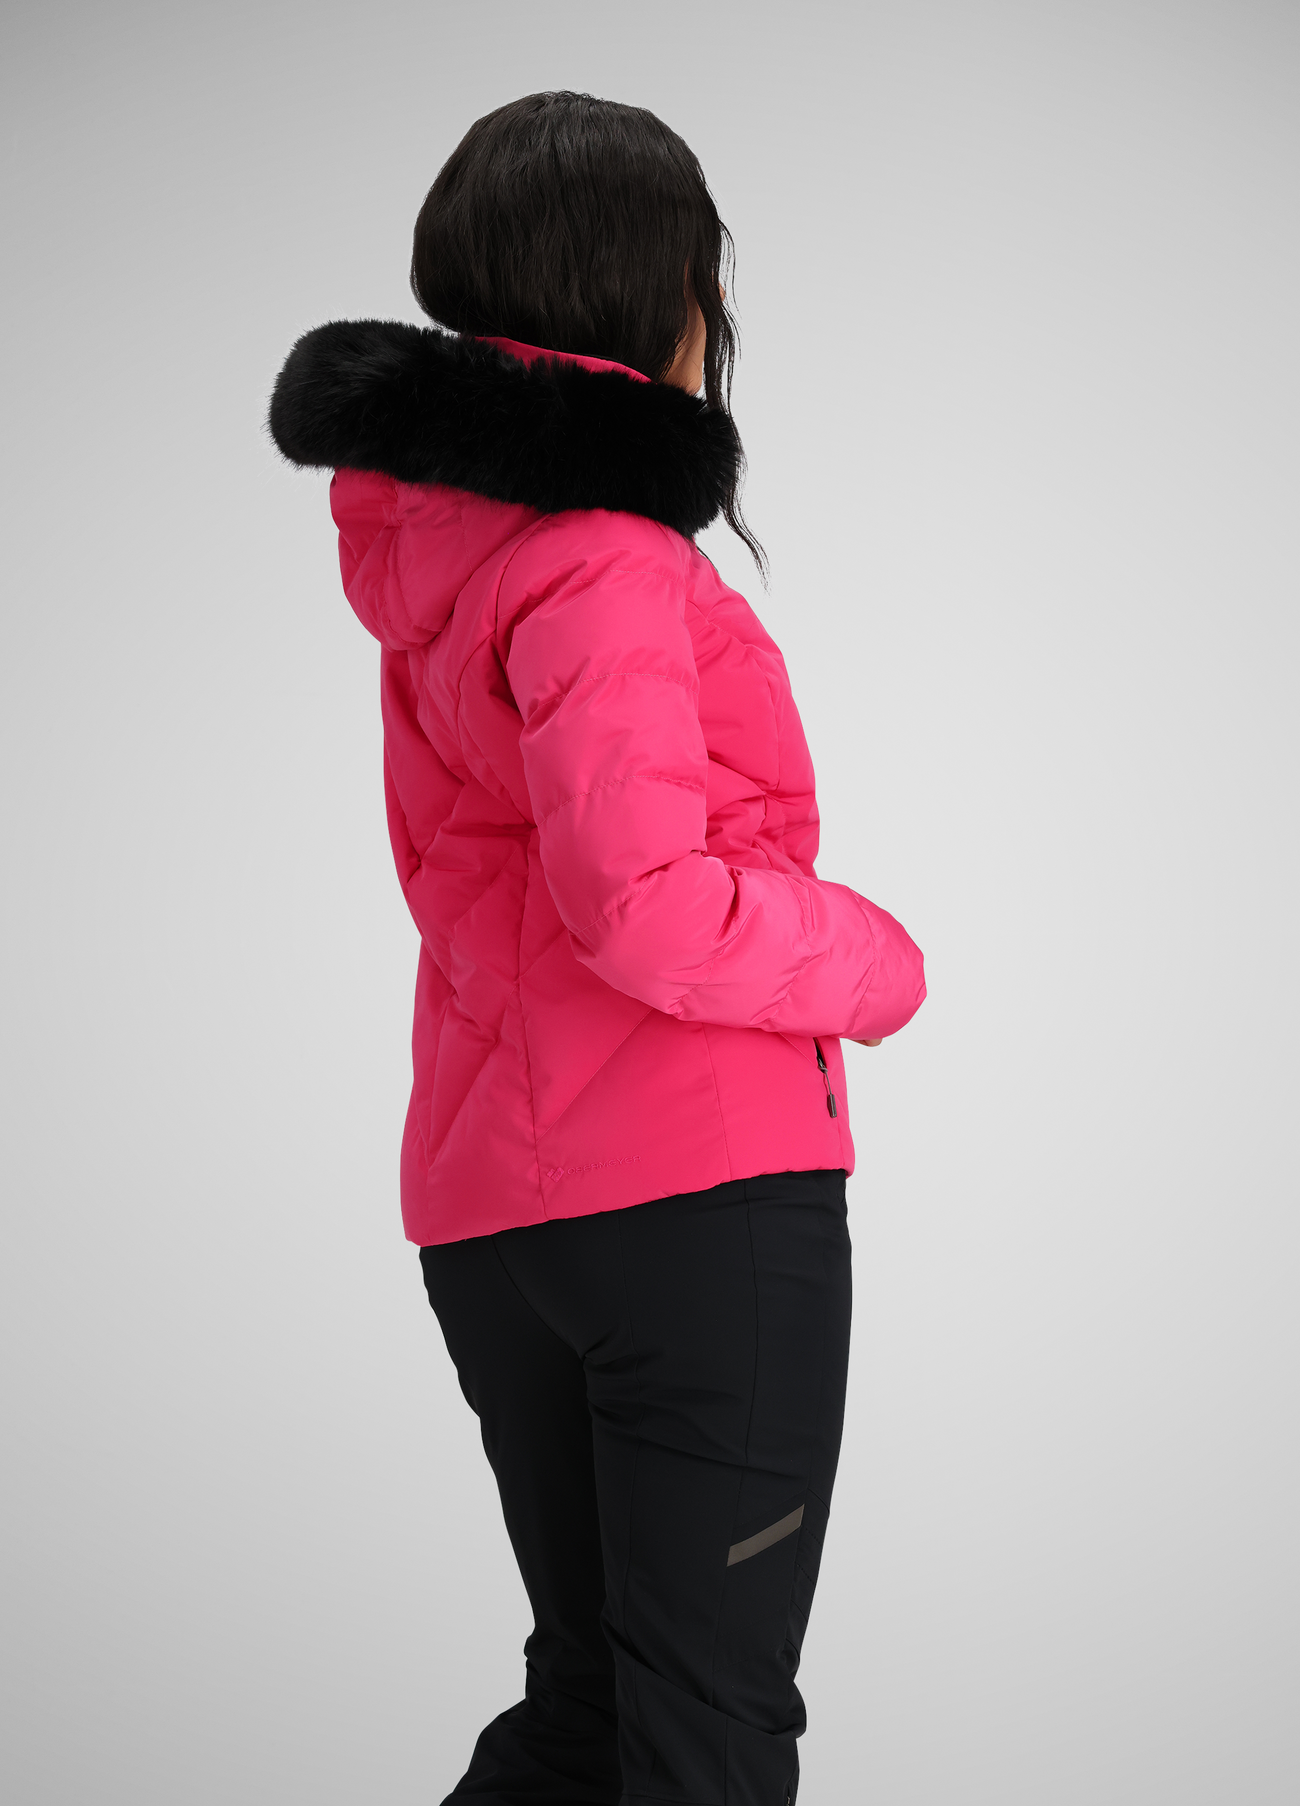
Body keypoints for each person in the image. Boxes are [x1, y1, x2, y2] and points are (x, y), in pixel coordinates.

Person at [269, 89, 926, 1806]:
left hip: (497, 1217)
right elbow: (644, 903)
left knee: (593, 1710)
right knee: (704, 1730)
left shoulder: (445, 556)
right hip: (695, 1209)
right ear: (662, 293)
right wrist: (872, 958)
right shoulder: (607, 560)